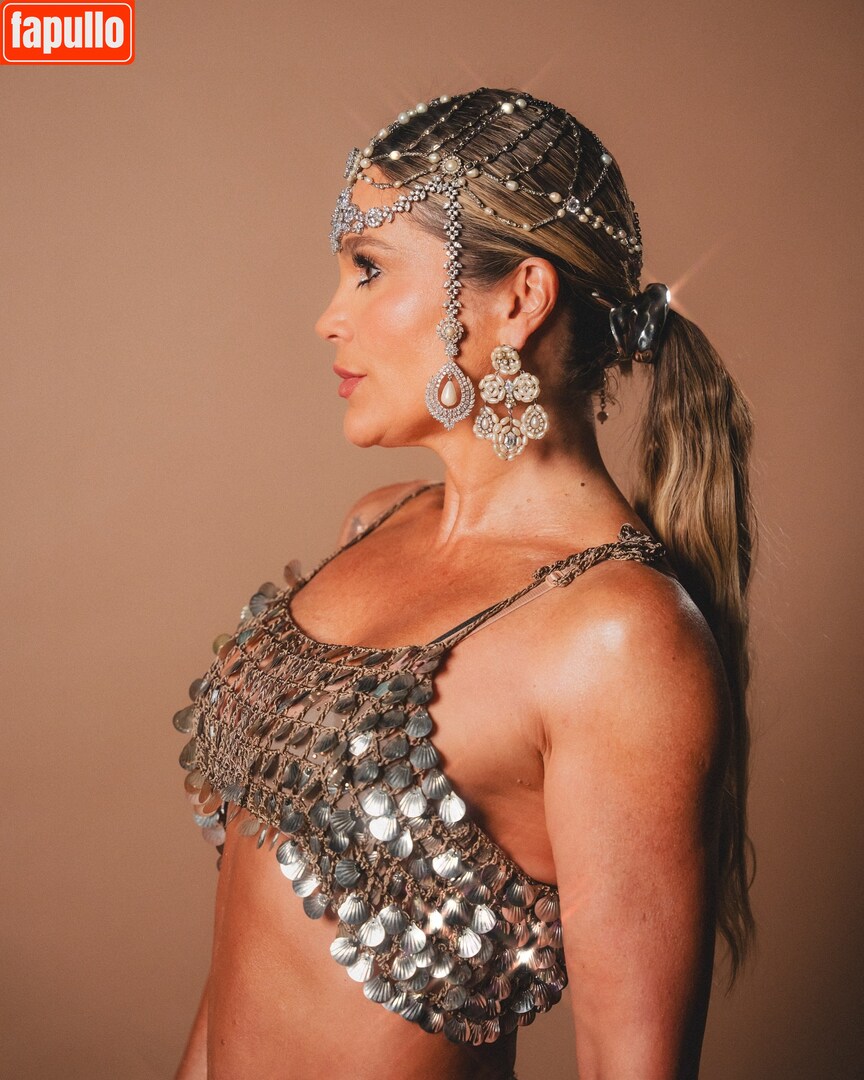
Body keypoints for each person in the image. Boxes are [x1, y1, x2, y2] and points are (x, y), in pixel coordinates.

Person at [172, 86, 756, 1080]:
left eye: (369, 269)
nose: (329, 318)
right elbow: (253, 955)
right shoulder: (379, 522)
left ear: (519, 299)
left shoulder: (617, 638)